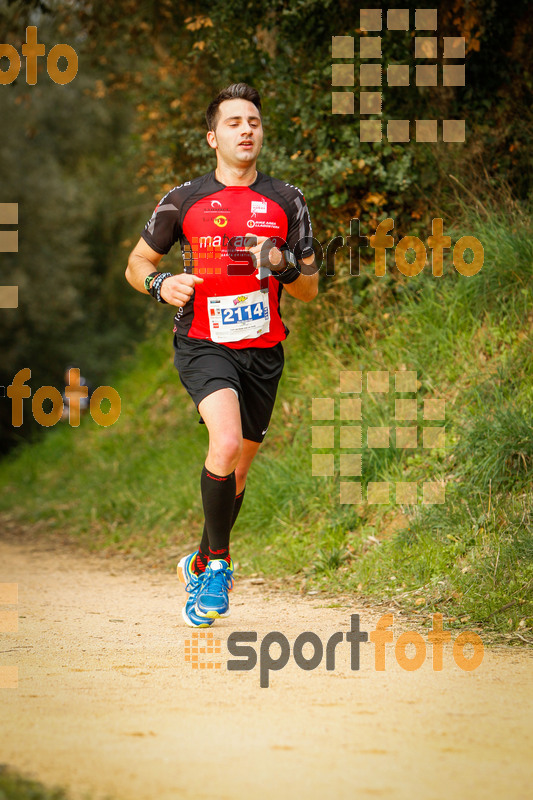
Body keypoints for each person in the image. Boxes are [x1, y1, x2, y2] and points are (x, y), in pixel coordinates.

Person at [125, 82, 318, 627]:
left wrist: (281, 264)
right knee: (225, 442)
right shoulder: (183, 199)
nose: (246, 130)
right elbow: (136, 262)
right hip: (203, 342)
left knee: (237, 472)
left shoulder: (288, 200)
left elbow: (309, 288)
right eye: (234, 123)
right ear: (213, 137)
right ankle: (218, 568)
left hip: (263, 349)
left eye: (254, 121)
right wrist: (160, 284)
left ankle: (201, 556)